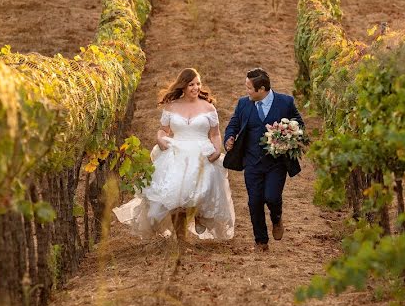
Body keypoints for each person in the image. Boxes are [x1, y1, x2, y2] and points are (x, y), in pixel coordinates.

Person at [113, 68, 235, 241]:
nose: (196, 87)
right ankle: (181, 238)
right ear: (183, 86)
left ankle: (198, 218)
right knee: (175, 196)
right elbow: (163, 130)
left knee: (198, 194)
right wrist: (160, 139)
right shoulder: (171, 106)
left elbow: (215, 134)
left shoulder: (208, 107)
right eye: (191, 84)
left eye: (198, 83)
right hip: (177, 151)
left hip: (202, 153)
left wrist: (216, 151)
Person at [224, 68, 304, 251]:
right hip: (252, 162)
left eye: (249, 88)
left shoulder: (285, 102)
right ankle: (261, 241)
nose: (247, 92)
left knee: (272, 197)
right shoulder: (244, 104)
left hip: (276, 163)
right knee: (255, 201)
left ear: (262, 89)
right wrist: (229, 138)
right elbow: (233, 124)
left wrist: (289, 135)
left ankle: (276, 218)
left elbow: (299, 124)